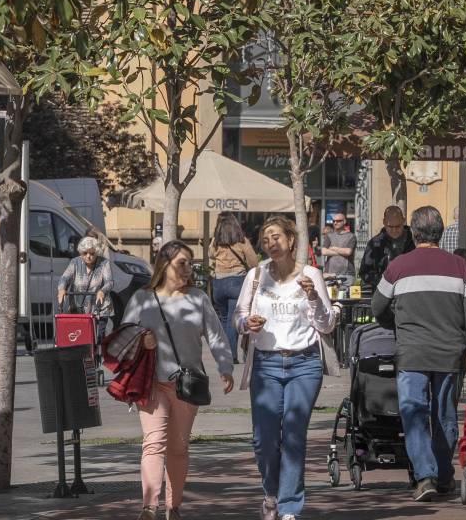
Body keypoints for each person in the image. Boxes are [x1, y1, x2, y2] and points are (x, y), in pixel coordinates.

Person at [372, 206, 466, 502]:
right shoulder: (461, 268)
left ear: (414, 230)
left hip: (411, 353)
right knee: (445, 416)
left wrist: (395, 324)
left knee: (414, 414)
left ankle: (425, 477)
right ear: (440, 233)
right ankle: (444, 475)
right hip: (451, 356)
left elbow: (377, 308)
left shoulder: (397, 266)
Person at [235, 216, 337, 520]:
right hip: (265, 364)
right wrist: (246, 324)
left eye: (276, 237)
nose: (271, 243)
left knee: (293, 433)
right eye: (266, 239)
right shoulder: (256, 275)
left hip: (304, 363)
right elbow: (239, 316)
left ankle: (290, 507)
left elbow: (327, 324)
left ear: (291, 240)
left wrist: (314, 297)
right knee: (263, 438)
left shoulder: (311, 275)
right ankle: (271, 493)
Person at [123, 241, 233, 520]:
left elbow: (216, 334)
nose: (188, 269)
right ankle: (149, 507)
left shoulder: (197, 298)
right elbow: (123, 338)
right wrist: (141, 340)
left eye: (190, 263)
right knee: (153, 442)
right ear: (165, 264)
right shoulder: (142, 299)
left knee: (178, 446)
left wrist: (225, 367)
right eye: (182, 262)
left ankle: (174, 506)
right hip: (152, 382)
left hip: (187, 384)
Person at [209, 214, 260, 360]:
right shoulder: (242, 241)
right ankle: (231, 355)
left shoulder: (216, 242)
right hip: (236, 282)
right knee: (232, 321)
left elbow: (211, 255)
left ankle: (224, 354)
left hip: (218, 283)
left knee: (225, 319)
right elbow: (254, 262)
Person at [56, 235, 114, 338]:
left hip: (99, 308)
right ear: (80, 252)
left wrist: (102, 291)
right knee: (80, 337)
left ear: (96, 253)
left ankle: (98, 353)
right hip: (78, 308)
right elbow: (64, 277)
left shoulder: (104, 263)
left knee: (98, 337)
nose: (88, 256)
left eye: (92, 253)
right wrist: (62, 289)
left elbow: (109, 282)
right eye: (85, 253)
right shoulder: (75, 262)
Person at [357, 205, 414, 291]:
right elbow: (365, 272)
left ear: (403, 221)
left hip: (409, 290)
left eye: (398, 226)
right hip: (383, 291)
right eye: (390, 227)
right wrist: (383, 281)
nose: (394, 230)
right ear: (384, 222)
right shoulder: (375, 243)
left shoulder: (415, 240)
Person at [319, 213, 356, 285]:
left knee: (346, 296)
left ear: (344, 221)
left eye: (338, 221)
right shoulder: (329, 236)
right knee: (330, 296)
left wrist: (333, 248)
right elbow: (324, 251)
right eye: (334, 221)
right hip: (330, 274)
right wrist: (342, 251)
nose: (335, 223)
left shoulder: (351, 236)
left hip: (347, 274)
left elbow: (348, 252)